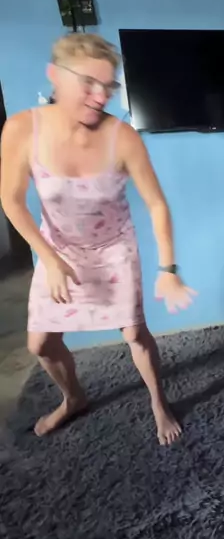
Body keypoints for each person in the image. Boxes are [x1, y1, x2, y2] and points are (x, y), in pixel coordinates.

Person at [0, 33, 196, 444]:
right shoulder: (21, 129)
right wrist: (49, 259)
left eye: (108, 86)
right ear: (55, 75)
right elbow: (11, 201)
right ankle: (73, 398)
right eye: (89, 83)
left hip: (113, 249)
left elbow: (157, 205)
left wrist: (168, 269)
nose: (101, 96)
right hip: (57, 250)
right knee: (40, 343)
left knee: (134, 333)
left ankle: (158, 402)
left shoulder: (122, 137)